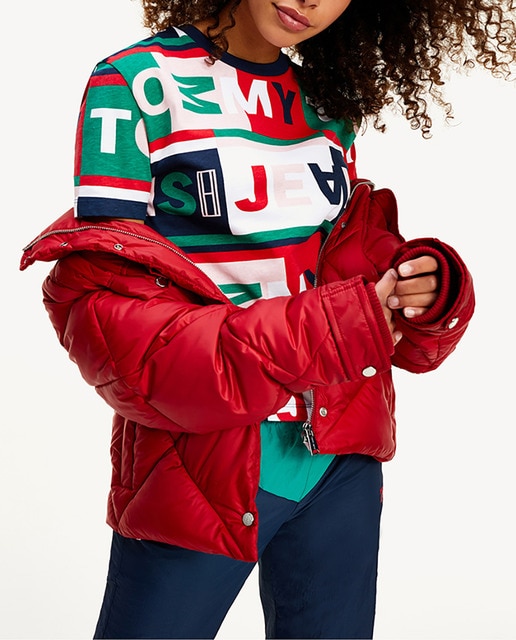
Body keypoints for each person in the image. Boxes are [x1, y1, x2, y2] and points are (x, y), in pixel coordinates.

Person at [20, 0, 515, 638]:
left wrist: (427, 287)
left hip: (339, 459)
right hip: (200, 463)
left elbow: (338, 267)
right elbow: (111, 318)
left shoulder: (327, 106)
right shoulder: (136, 84)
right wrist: (339, 325)